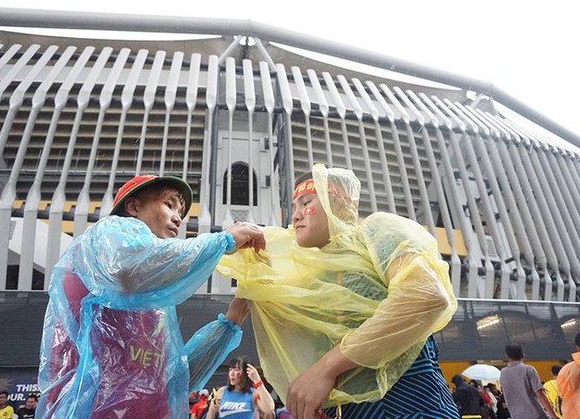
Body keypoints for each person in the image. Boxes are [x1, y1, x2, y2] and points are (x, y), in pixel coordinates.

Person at [218, 165, 459, 418]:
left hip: (413, 409)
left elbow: (425, 296)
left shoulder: (376, 231)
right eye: (294, 207)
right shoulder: (316, 276)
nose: (296, 216)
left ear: (340, 201)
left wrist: (325, 368)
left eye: (307, 202)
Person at [36, 175, 266, 419]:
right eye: (169, 204)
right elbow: (126, 268)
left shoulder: (155, 302)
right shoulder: (105, 237)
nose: (178, 218)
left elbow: (172, 381)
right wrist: (224, 240)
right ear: (133, 207)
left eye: (181, 212)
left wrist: (232, 319)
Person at [206, 356, 275, 419]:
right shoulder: (222, 391)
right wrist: (212, 408)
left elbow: (269, 409)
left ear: (246, 372)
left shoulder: (254, 394)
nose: (232, 373)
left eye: (236, 370)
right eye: (230, 369)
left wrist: (257, 381)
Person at [499, 344, 556, 419]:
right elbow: (540, 394)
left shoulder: (503, 373)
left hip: (516, 416)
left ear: (507, 356)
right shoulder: (528, 369)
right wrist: (554, 416)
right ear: (523, 355)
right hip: (535, 415)